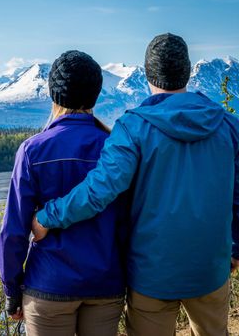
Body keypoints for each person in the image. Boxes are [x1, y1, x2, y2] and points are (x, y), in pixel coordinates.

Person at [32, 33, 239, 336]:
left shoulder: (134, 126)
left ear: (146, 74)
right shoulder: (228, 125)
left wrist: (47, 217)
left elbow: (99, 191)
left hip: (151, 275)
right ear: (188, 70)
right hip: (210, 269)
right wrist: (235, 248)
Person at [0, 50, 126, 336]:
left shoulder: (33, 150)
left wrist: (12, 290)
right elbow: (127, 221)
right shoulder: (116, 148)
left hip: (49, 284)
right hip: (105, 283)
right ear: (95, 93)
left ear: (53, 94)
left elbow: (13, 231)